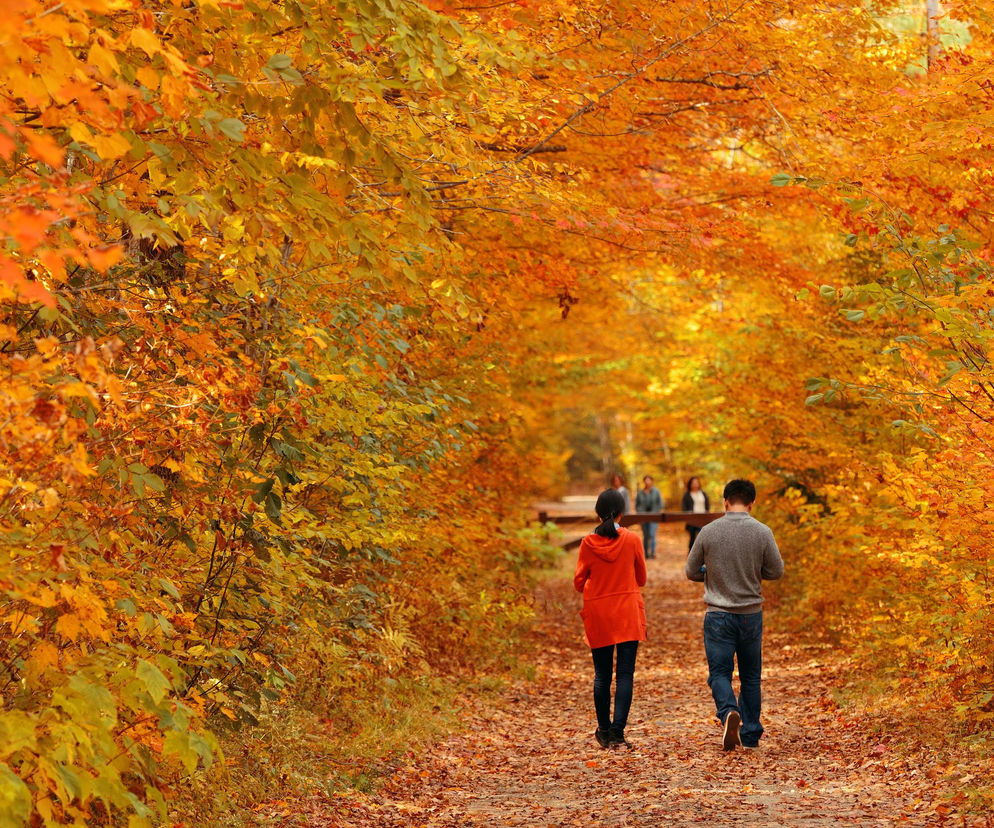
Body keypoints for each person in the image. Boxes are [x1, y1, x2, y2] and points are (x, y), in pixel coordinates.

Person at [685, 479, 783, 751]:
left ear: (725, 502)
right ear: (752, 503)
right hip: (751, 615)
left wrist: (710, 571)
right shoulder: (763, 532)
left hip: (718, 615)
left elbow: (691, 571)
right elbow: (776, 571)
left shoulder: (708, 531)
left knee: (719, 674)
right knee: (751, 676)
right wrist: (752, 571)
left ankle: (728, 710)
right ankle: (750, 735)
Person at [574, 488, 647, 750]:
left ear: (597, 512)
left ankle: (603, 731)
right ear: (621, 513)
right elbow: (642, 578)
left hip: (599, 613)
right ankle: (617, 733)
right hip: (627, 610)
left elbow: (579, 582)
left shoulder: (587, 543)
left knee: (602, 675)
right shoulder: (632, 540)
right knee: (625, 674)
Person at [635, 475, 664, 559]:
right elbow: (637, 505)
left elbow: (660, 503)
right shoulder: (640, 492)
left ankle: (652, 552)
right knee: (646, 535)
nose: (647, 482)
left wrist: (657, 512)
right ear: (644, 481)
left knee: (652, 534)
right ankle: (646, 553)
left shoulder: (656, 491)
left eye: (649, 480)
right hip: (643, 516)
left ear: (652, 481)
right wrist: (639, 512)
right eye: (646, 480)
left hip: (654, 516)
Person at [681, 476, 711, 552]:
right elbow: (684, 508)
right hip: (692, 519)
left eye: (696, 483)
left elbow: (707, 505)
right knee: (692, 538)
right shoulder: (687, 495)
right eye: (693, 483)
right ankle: (691, 554)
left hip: (703, 519)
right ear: (690, 484)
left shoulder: (703, 493)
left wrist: (707, 515)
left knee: (703, 536)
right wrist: (688, 516)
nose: (695, 484)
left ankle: (703, 553)